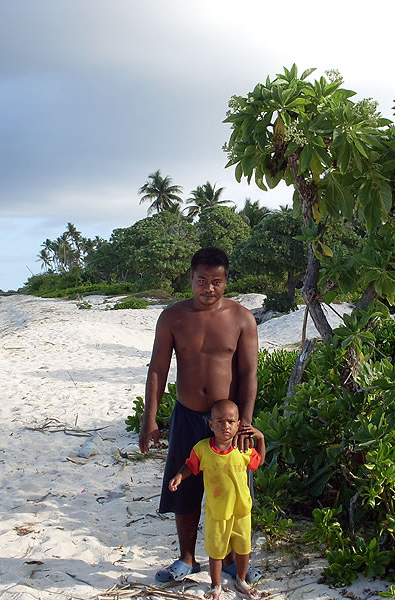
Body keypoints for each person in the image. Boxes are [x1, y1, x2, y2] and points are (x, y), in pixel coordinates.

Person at [139, 247, 260, 584]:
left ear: (226, 282)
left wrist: (245, 423)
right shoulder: (172, 317)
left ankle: (236, 563)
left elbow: (249, 373)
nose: (209, 288)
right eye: (202, 281)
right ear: (190, 279)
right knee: (185, 487)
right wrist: (150, 418)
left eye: (217, 282)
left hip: (230, 422)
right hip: (188, 415)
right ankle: (187, 559)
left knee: (237, 491)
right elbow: (158, 369)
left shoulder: (241, 318)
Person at [169, 400, 266, 599]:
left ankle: (241, 580)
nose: (226, 426)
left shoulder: (243, 448)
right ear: (211, 424)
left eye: (231, 421)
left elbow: (259, 461)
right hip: (217, 512)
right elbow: (191, 465)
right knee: (216, 550)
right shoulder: (203, 449)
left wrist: (261, 438)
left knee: (243, 547)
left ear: (239, 424)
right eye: (220, 421)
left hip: (241, 510)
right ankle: (216, 585)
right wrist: (179, 476)